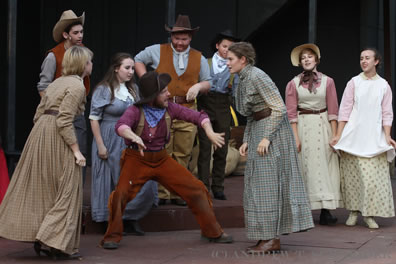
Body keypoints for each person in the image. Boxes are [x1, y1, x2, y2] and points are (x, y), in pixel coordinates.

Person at [100, 71, 233, 250]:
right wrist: (133, 136)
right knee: (120, 195)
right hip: (137, 159)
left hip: (162, 159)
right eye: (164, 91)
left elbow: (198, 116)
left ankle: (212, 232)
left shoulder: (169, 108)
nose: (169, 94)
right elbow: (121, 126)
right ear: (153, 95)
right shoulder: (135, 110)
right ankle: (112, 236)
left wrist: (209, 131)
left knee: (197, 189)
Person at [0, 45, 93, 260]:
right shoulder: (77, 87)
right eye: (89, 61)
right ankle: (55, 242)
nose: (91, 65)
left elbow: (39, 112)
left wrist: (42, 135)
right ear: (82, 65)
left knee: (44, 189)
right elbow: (64, 119)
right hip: (58, 135)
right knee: (67, 189)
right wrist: (76, 151)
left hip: (40, 133)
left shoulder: (57, 82)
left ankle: (43, 239)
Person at [227, 42, 314, 254]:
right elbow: (250, 113)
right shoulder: (242, 78)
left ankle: (272, 239)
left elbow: (278, 108)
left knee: (267, 185)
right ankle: (265, 236)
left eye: (230, 59)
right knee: (258, 186)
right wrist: (247, 138)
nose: (227, 62)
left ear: (243, 60)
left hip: (272, 131)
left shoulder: (257, 76)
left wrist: (266, 138)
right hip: (258, 127)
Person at [134, 14, 211, 206]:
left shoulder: (199, 57)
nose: (180, 43)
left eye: (184, 39)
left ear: (190, 38)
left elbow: (209, 82)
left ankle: (177, 192)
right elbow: (137, 60)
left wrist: (199, 87)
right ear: (171, 37)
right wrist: (148, 82)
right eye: (176, 38)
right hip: (163, 108)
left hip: (186, 108)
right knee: (162, 151)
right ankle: (162, 193)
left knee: (183, 153)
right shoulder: (157, 51)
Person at [89, 53, 158, 236]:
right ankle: (109, 221)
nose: (131, 72)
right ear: (116, 68)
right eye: (127, 68)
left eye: (132, 68)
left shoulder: (134, 88)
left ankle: (130, 217)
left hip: (130, 138)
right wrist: (100, 145)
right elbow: (94, 119)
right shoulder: (103, 89)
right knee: (108, 179)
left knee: (134, 178)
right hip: (109, 136)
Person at [331, 48, 395, 229]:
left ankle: (369, 214)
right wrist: (338, 135)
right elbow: (345, 110)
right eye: (361, 58)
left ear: (376, 61)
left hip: (373, 137)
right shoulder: (354, 82)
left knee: (372, 179)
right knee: (353, 176)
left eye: (367, 58)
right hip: (354, 136)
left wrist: (387, 136)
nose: (364, 61)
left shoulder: (383, 85)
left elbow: (387, 113)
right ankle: (353, 211)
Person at [285, 43, 343, 225]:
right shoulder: (293, 83)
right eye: (303, 58)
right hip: (303, 125)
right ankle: (304, 210)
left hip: (322, 123)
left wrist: (335, 135)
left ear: (316, 59)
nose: (306, 60)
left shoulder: (328, 81)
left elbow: (333, 109)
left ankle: (326, 210)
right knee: (305, 165)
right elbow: (291, 113)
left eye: (309, 56)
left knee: (325, 166)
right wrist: (295, 137)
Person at [37, 10, 89, 181]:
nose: (80, 35)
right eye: (76, 33)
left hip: (78, 113)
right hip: (59, 114)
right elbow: (43, 86)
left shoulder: (83, 52)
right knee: (58, 157)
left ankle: (75, 196)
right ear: (66, 34)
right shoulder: (53, 56)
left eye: (81, 31)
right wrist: (54, 107)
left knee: (79, 154)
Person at [196, 30, 239, 200]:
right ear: (217, 46)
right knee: (204, 148)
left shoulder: (234, 67)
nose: (227, 50)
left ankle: (218, 186)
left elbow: (235, 91)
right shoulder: (204, 63)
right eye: (224, 46)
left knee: (222, 147)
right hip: (204, 104)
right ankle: (203, 187)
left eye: (231, 47)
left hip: (223, 105)